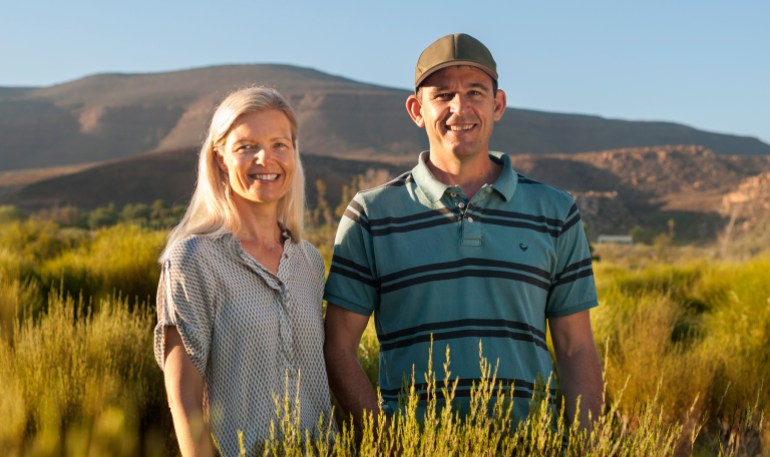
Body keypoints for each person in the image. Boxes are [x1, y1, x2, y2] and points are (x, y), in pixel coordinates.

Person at [323, 33, 603, 430]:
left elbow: (576, 348)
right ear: (416, 110)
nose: (460, 108)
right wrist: (383, 444)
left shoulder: (556, 211)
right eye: (442, 95)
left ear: (498, 104)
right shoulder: (372, 214)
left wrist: (589, 444)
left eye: (475, 91)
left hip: (532, 442)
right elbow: (338, 349)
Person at [153, 86, 334, 456]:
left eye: (279, 144)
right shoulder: (192, 260)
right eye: (246, 147)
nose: (265, 159)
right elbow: (184, 403)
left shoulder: (309, 262)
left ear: (294, 154)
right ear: (220, 159)